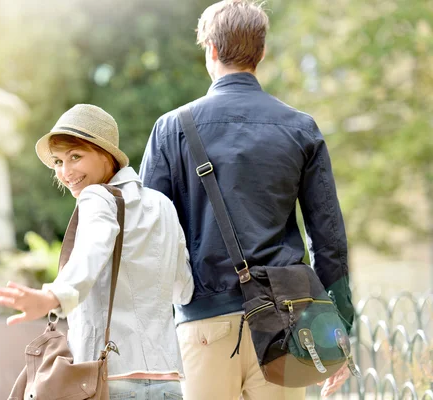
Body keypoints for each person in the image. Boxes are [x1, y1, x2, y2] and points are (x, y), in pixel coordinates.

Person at [139, 1, 355, 399]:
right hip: (289, 325)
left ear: (212, 51)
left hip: (204, 322)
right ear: (262, 52)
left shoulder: (171, 128)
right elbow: (328, 238)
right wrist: (339, 328)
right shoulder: (300, 128)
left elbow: (149, 236)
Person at [0, 104, 194, 400]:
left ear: (105, 154)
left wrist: (53, 296)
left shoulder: (97, 197)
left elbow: (93, 248)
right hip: (167, 381)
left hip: (109, 379)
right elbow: (183, 290)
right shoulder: (162, 204)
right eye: (58, 161)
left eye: (75, 157)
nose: (65, 172)